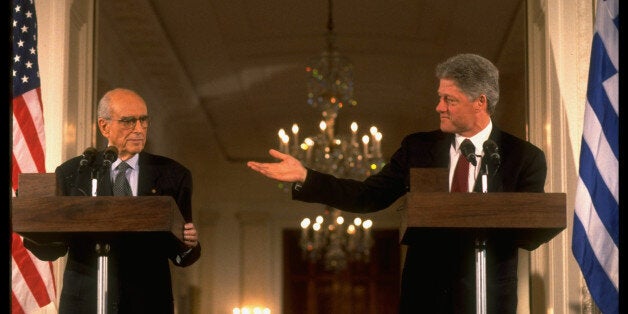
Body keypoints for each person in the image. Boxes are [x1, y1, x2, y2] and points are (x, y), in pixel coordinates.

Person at [247, 53, 547, 313]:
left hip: (489, 297)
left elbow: (530, 225)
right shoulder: (419, 148)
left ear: (480, 102)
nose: (438, 107)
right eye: (439, 97)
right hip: (425, 298)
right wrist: (307, 176)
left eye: (449, 100)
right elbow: (367, 196)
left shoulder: (523, 157)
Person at [24, 88, 201, 313]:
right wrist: (34, 225)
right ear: (104, 126)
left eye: (144, 120)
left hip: (146, 302)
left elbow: (183, 254)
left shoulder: (173, 175)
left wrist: (188, 244)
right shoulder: (74, 172)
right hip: (85, 303)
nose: (139, 129)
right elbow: (52, 249)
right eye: (128, 121)